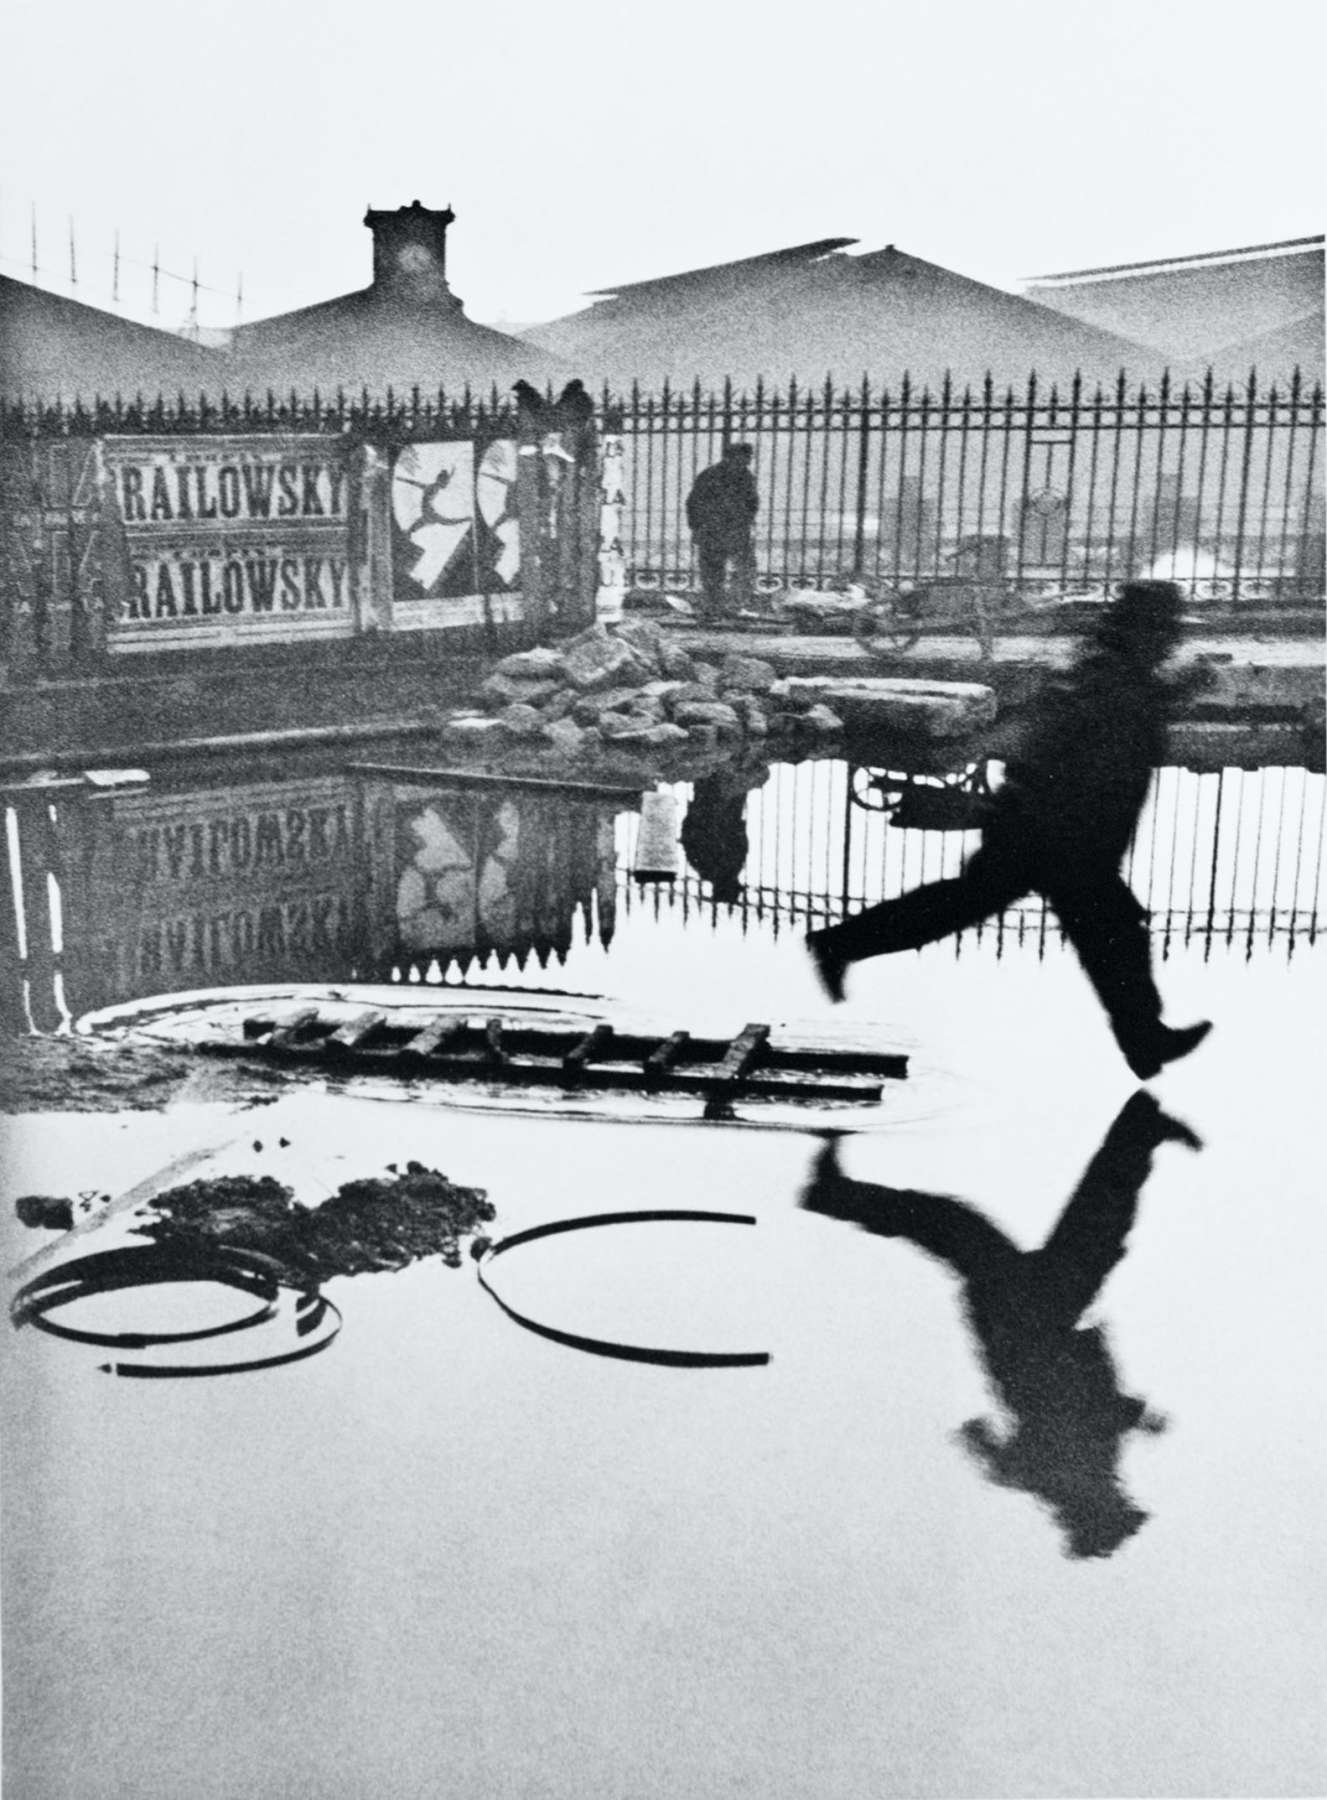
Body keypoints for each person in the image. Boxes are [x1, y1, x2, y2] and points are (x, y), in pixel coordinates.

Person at [806, 580, 1212, 1081]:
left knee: (998, 908)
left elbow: (1121, 710)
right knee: (1109, 931)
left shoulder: (1114, 671)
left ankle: (1145, 1040)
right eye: (1165, 631)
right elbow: (1078, 730)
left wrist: (1176, 692)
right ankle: (1144, 1040)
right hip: (1057, 833)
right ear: (1144, 631)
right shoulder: (1105, 677)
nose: (1171, 641)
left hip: (1058, 831)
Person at [800, 1092, 1202, 1558]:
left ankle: (831, 1193)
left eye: (1119, 1505)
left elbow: (1071, 1422)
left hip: (1027, 1326)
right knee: (1043, 1229)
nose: (1123, 1494)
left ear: (1099, 1508)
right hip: (1035, 1323)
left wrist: (1135, 1417)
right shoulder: (1072, 1475)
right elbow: (1033, 1440)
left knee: (993, 1229)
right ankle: (1139, 1130)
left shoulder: (1071, 1476)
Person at [685, 443, 759, 618]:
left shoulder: (744, 476)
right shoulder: (711, 476)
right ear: (732, 457)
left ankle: (730, 606)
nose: (749, 461)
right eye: (745, 457)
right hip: (716, 530)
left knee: (739, 569)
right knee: (716, 571)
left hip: (732, 530)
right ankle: (717, 607)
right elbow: (694, 503)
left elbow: (752, 502)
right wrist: (697, 527)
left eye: (749, 457)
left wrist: (747, 522)